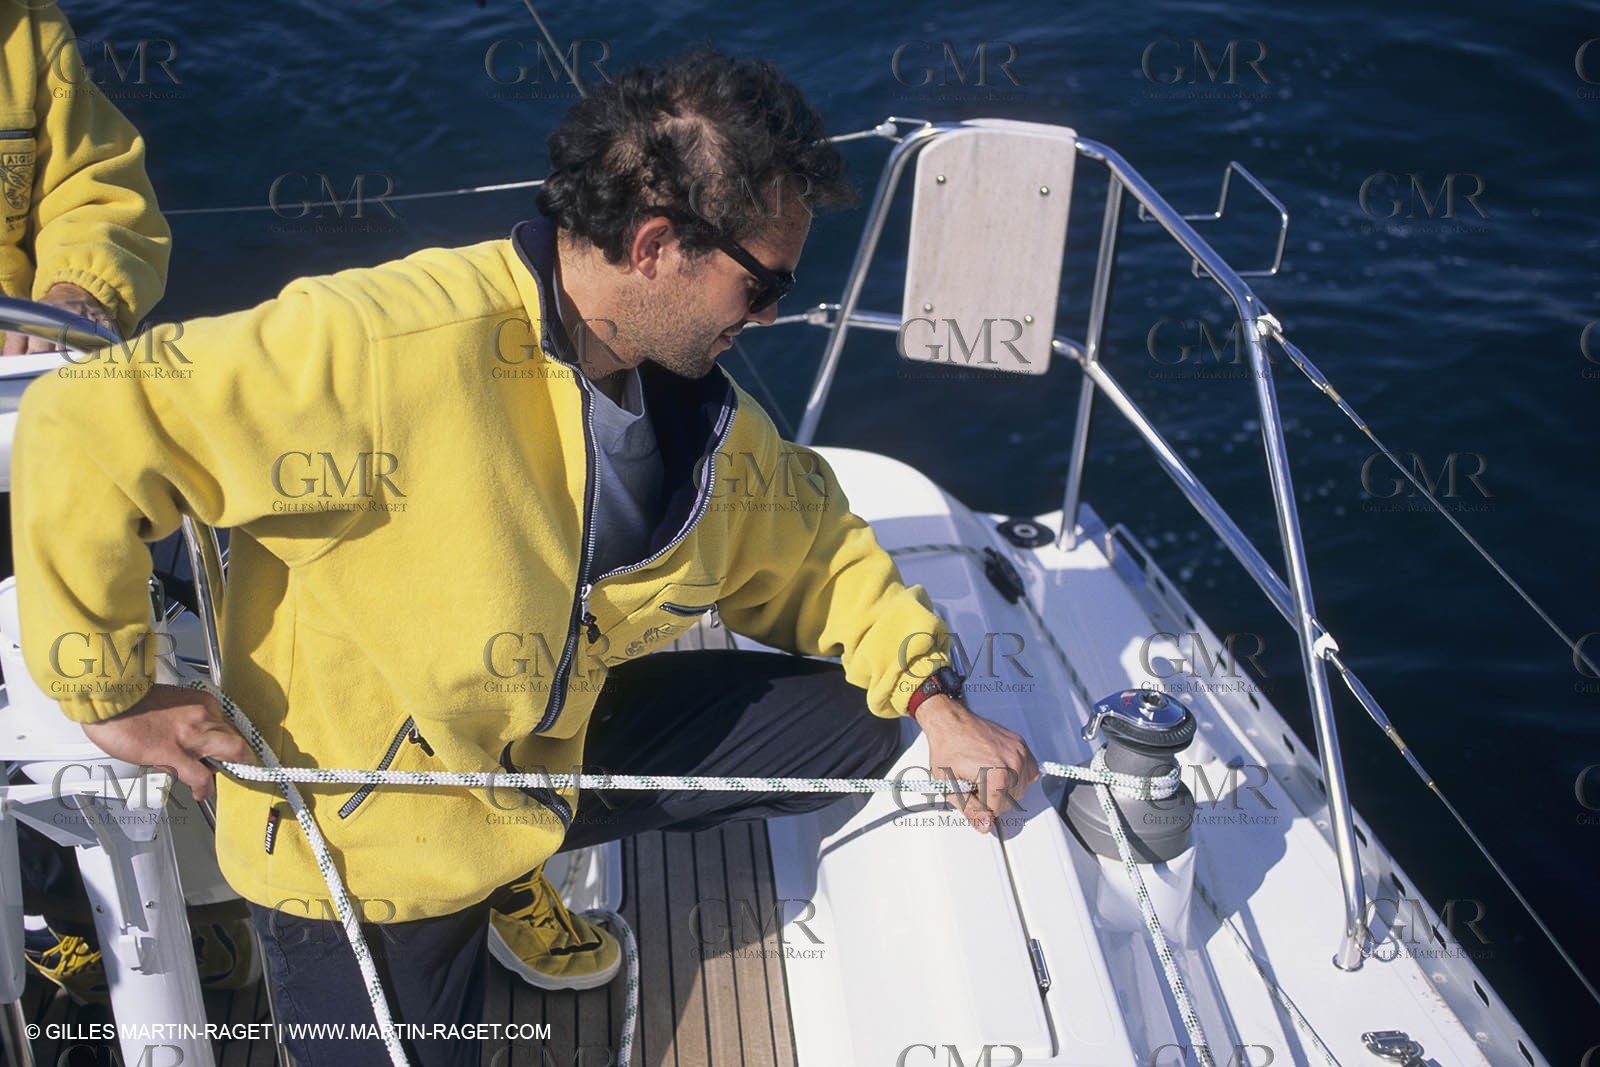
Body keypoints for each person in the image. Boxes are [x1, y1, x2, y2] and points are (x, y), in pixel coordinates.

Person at [11, 47, 1038, 1066]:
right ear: (654, 245)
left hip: (539, 751)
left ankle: (517, 863)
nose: (770, 314)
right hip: (370, 833)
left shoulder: (680, 393)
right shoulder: (382, 347)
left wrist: (931, 698)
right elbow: (83, 423)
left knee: (866, 723)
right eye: (762, 282)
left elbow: (811, 546)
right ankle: (487, 878)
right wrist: (110, 690)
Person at [1, 0, 257, 1005]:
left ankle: (168, 921)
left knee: (120, 691)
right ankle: (50, 923)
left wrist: (77, 294)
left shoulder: (23, 30)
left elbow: (97, 187)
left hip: (35, 442)